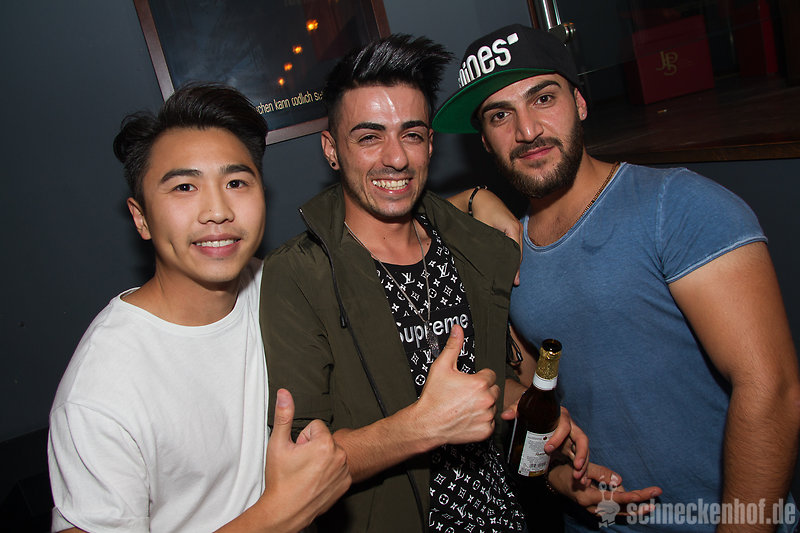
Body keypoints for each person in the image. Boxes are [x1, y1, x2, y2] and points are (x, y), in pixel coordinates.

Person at [260, 33, 648, 533]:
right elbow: (302, 463)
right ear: (332, 149)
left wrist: (549, 458)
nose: (395, 158)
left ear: (430, 144)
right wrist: (422, 427)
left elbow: (485, 385)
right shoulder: (299, 274)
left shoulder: (470, 246)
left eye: (412, 135)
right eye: (369, 137)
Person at [432, 23, 800, 532]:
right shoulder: (508, 250)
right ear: (486, 143)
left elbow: (772, 390)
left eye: (543, 98)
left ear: (580, 103)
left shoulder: (676, 205)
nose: (527, 130)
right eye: (500, 115)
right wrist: (556, 476)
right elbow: (532, 396)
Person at [47, 83, 351, 533]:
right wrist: (278, 515)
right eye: (185, 187)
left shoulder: (281, 287)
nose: (217, 210)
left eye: (236, 183)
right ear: (141, 217)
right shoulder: (100, 392)